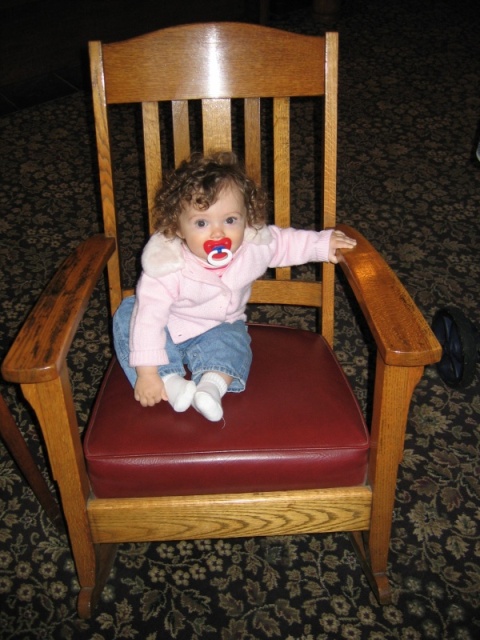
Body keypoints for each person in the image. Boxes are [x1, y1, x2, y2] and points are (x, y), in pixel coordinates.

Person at [113, 151, 357, 422]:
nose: (218, 233)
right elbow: (149, 320)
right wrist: (147, 373)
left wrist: (323, 244)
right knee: (129, 314)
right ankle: (169, 380)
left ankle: (211, 387)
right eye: (202, 223)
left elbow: (287, 243)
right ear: (178, 228)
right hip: (169, 323)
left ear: (246, 218)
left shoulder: (254, 244)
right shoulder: (166, 265)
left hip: (219, 324)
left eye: (230, 220)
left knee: (236, 340)